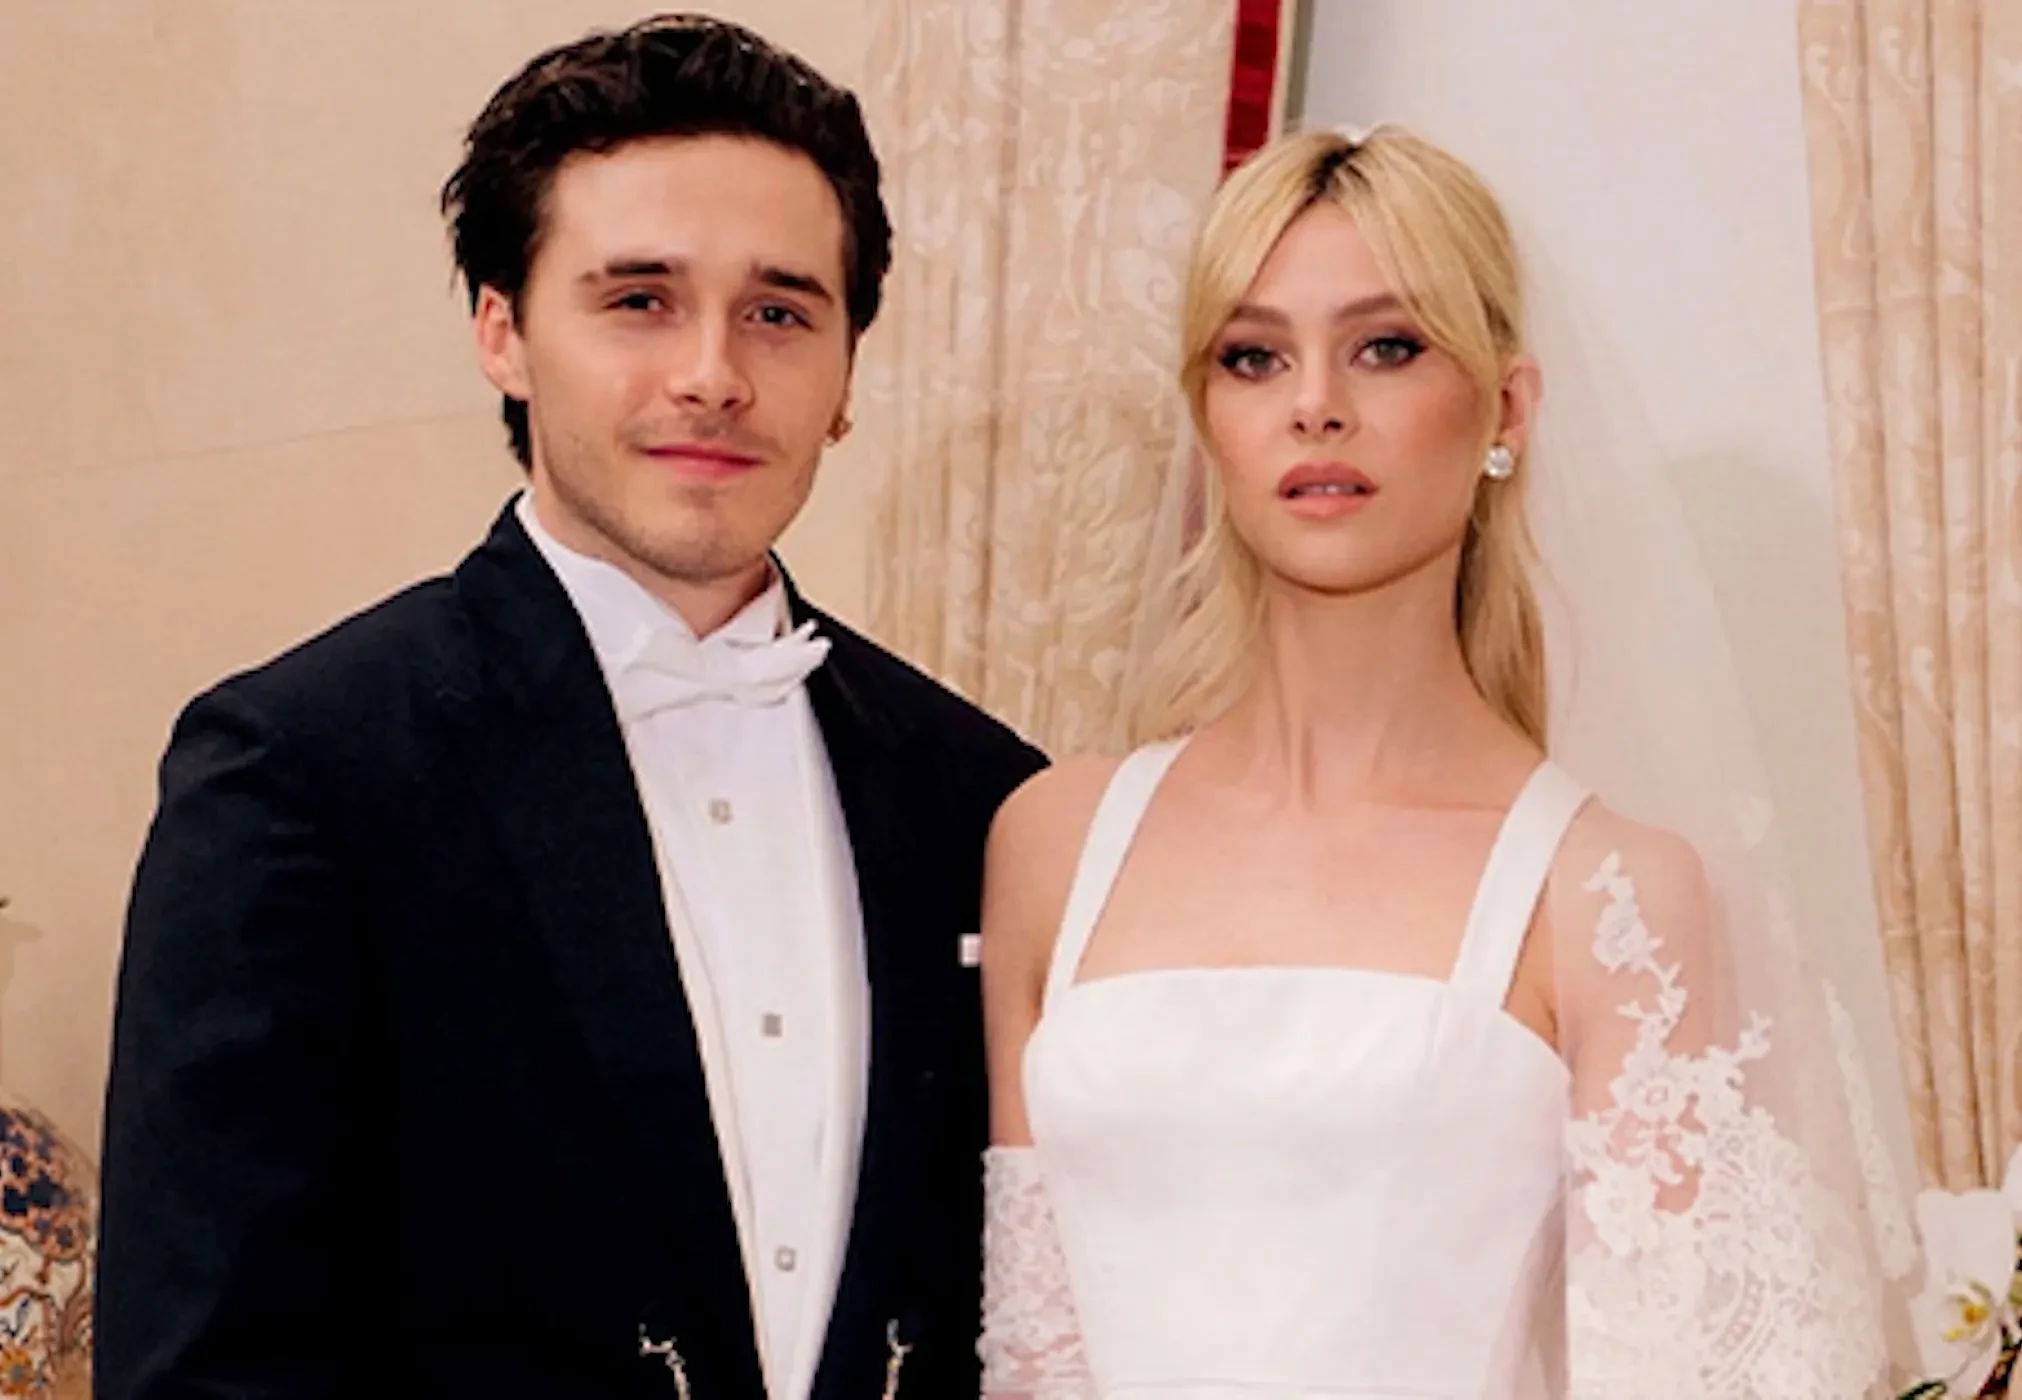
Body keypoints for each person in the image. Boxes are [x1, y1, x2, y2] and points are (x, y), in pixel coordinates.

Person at [94, 15, 1044, 1398]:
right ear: (504, 333)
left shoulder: (982, 791)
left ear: (847, 372)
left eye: (780, 312)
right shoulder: (299, 768)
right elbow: (202, 1366)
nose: (713, 372)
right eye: (639, 299)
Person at [976, 126, 1897, 1399]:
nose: (1315, 404)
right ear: (1206, 415)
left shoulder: (1610, 892)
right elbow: (1035, 1358)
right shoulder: (1055, 840)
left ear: (1506, 409)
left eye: (1387, 346)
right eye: (1254, 356)